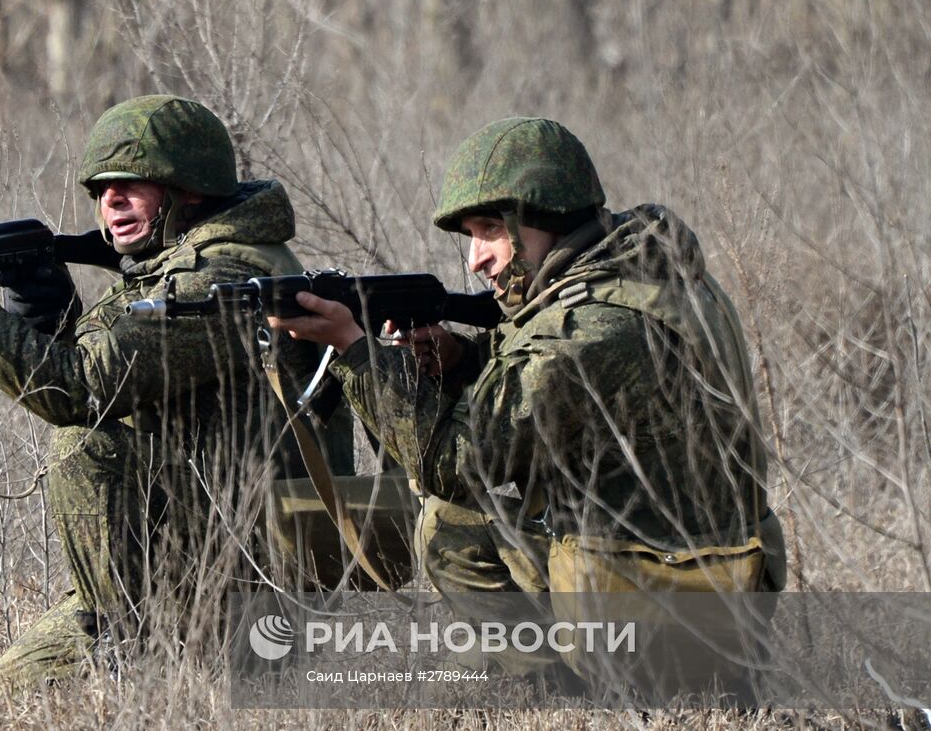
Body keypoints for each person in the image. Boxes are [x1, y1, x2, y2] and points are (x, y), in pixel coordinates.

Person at [0, 95, 346, 692]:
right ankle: (122, 635)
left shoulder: (224, 280)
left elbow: (86, 389)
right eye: (100, 188)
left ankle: (133, 651)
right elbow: (124, 380)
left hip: (246, 569)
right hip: (182, 552)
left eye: (131, 184)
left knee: (84, 443)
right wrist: (41, 307)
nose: (110, 201)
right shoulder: (172, 267)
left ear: (190, 189)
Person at [270, 117, 785, 616]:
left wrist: (354, 350)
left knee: (448, 521)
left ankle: (572, 688)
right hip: (717, 577)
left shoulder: (595, 327)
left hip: (671, 601)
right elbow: (563, 391)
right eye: (471, 234)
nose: (476, 259)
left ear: (549, 219)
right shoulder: (654, 278)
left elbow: (455, 465)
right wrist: (462, 360)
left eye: (491, 229)